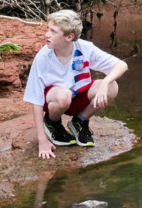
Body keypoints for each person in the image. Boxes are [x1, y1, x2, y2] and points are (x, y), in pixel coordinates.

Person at [25, 10, 128, 158]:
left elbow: (121, 65)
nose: (46, 35)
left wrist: (105, 82)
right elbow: (35, 99)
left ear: (69, 37)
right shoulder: (43, 57)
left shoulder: (84, 47)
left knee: (112, 86)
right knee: (64, 95)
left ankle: (80, 121)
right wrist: (42, 141)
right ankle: (52, 123)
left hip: (78, 97)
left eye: (53, 31)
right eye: (47, 29)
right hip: (57, 100)